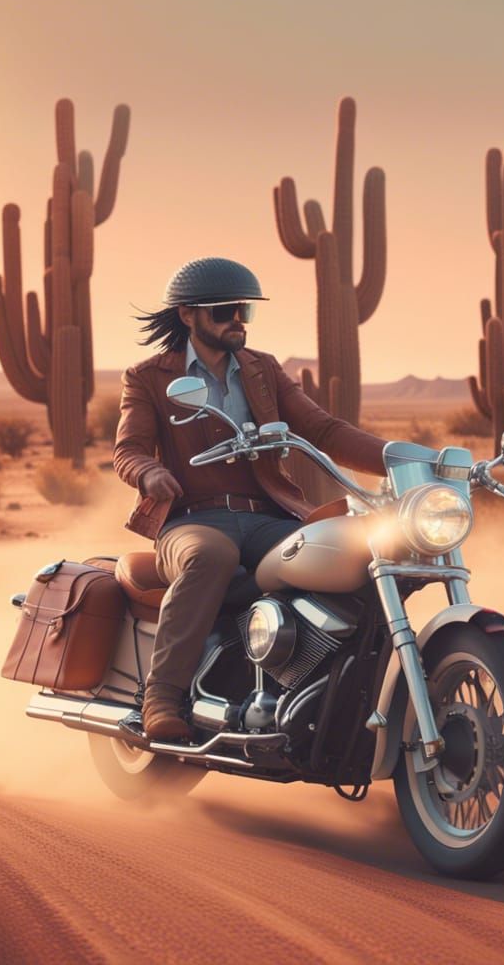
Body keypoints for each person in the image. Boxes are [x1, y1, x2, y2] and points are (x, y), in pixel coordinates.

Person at [113, 257, 388, 741]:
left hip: (267, 518)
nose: (237, 320)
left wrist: (406, 459)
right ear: (188, 316)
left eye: (244, 310)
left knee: (352, 555)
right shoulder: (150, 377)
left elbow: (323, 429)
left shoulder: (263, 370)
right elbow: (128, 450)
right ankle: (162, 696)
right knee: (210, 557)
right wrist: (150, 472)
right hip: (192, 520)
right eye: (223, 311)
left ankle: (343, 693)